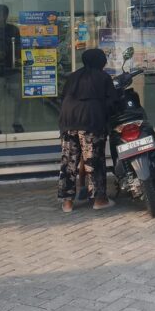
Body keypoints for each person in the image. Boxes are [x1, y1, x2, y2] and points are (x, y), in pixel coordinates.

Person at [58, 48, 117, 212]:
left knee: (68, 163)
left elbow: (63, 97)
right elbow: (111, 102)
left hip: (68, 121)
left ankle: (67, 203)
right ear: (100, 61)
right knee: (94, 161)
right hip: (90, 121)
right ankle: (99, 200)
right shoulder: (103, 77)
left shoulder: (73, 76)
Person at [0, 4, 23, 134]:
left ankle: (17, 123)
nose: (0, 16)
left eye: (2, 14)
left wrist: (14, 54)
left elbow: (19, 47)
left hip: (13, 69)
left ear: (6, 15)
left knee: (18, 98)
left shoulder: (14, 30)